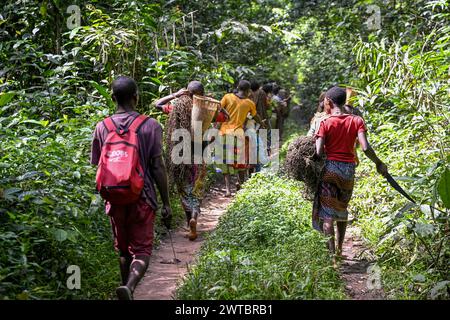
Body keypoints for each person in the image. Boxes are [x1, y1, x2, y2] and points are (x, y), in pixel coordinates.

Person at [91, 76, 172, 300]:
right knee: (142, 250)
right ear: (136, 97)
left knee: (123, 249)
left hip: (113, 197)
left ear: (112, 97)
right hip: (143, 197)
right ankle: (130, 286)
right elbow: (158, 166)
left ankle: (125, 287)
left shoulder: (102, 127)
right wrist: (166, 203)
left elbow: (98, 164)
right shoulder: (151, 125)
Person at [313, 86, 388, 263]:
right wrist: (379, 163)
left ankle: (332, 258)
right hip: (348, 171)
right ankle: (340, 249)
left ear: (329, 102)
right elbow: (365, 147)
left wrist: (313, 155)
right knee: (342, 208)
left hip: (330, 170)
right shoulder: (357, 120)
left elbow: (318, 151)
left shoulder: (325, 122)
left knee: (328, 214)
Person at [154, 81, 207, 241]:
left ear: (187, 92)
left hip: (180, 154)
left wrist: (175, 95)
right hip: (199, 154)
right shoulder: (205, 110)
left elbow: (157, 104)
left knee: (184, 190)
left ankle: (188, 221)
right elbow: (225, 116)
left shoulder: (176, 107)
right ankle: (194, 219)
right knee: (196, 189)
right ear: (202, 94)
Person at [217, 80, 266, 196]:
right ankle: (241, 185)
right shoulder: (249, 103)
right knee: (240, 162)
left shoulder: (227, 97)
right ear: (249, 91)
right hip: (239, 135)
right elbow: (255, 116)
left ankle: (228, 190)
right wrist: (262, 124)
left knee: (226, 162)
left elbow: (218, 108)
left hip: (224, 133)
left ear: (237, 87)